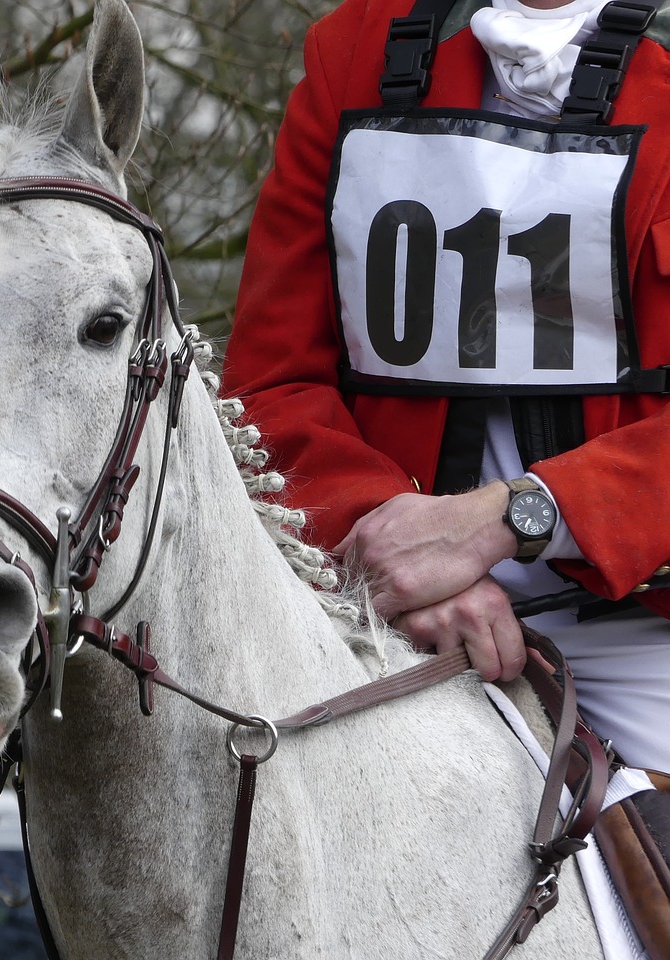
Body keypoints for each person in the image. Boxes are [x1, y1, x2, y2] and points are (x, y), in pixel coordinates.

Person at [220, 0, 670, 775]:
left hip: (643, 622)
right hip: (382, 605)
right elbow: (270, 382)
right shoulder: (354, 51)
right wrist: (388, 545)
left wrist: (508, 520)